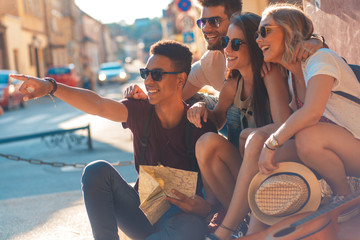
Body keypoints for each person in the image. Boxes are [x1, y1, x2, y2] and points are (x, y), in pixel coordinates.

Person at [11, 40, 217, 240]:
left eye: (156, 74)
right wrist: (50, 87)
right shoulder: (140, 110)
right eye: (146, 73)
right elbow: (98, 104)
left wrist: (203, 207)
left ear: (181, 79)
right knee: (96, 170)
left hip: (180, 220)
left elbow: (215, 200)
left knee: (191, 229)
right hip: (141, 214)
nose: (148, 81)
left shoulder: (199, 123)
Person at [253, 3, 360, 229]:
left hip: (355, 144)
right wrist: (271, 80)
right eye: (257, 34)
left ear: (289, 30)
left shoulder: (320, 59)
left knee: (306, 137)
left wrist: (271, 144)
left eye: (265, 31)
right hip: (340, 150)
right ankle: (255, 228)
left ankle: (345, 196)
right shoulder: (294, 76)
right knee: (260, 151)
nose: (258, 39)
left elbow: (311, 113)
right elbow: (285, 123)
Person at [192, 12, 292, 240]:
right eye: (227, 41)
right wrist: (200, 106)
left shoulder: (270, 74)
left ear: (256, 45)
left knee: (244, 137)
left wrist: (250, 135)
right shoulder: (232, 84)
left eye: (236, 44)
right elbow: (216, 121)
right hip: (245, 172)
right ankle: (241, 223)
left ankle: (228, 230)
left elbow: (285, 125)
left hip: (270, 167)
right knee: (206, 143)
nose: (227, 49)